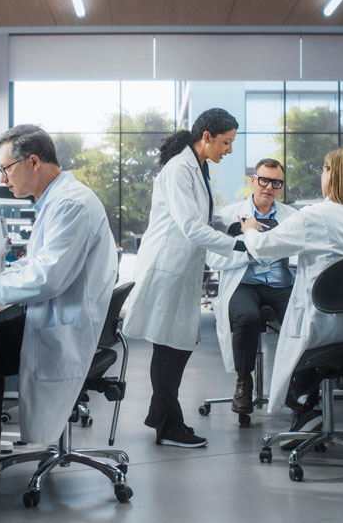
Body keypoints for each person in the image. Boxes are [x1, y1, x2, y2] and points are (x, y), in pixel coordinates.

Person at [0, 124, 118, 450]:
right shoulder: (56, 200)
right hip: (58, 317)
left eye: (5, 169)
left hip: (64, 327)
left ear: (33, 162)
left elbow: (47, 278)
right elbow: (34, 265)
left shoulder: (69, 204)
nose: (2, 179)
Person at [240, 147, 343, 433]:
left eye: (325, 168)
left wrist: (250, 229)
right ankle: (307, 409)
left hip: (319, 332)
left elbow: (263, 248)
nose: (322, 174)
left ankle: (305, 409)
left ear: (334, 176)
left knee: (291, 336)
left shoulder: (314, 217)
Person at [123, 108, 243, 448]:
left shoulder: (198, 166)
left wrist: (235, 225)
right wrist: (239, 243)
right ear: (207, 137)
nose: (229, 150)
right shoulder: (179, 169)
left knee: (178, 344)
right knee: (169, 345)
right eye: (226, 142)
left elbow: (204, 215)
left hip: (181, 266)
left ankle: (161, 416)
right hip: (166, 267)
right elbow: (191, 226)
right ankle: (168, 425)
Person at [206, 158, 296, 415]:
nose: (269, 186)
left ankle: (294, 382)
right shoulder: (228, 215)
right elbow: (212, 257)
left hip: (281, 283)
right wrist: (252, 246)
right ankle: (244, 381)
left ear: (280, 186)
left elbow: (302, 252)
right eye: (264, 180)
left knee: (300, 317)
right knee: (247, 317)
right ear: (254, 181)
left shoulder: (292, 217)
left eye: (276, 182)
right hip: (244, 283)